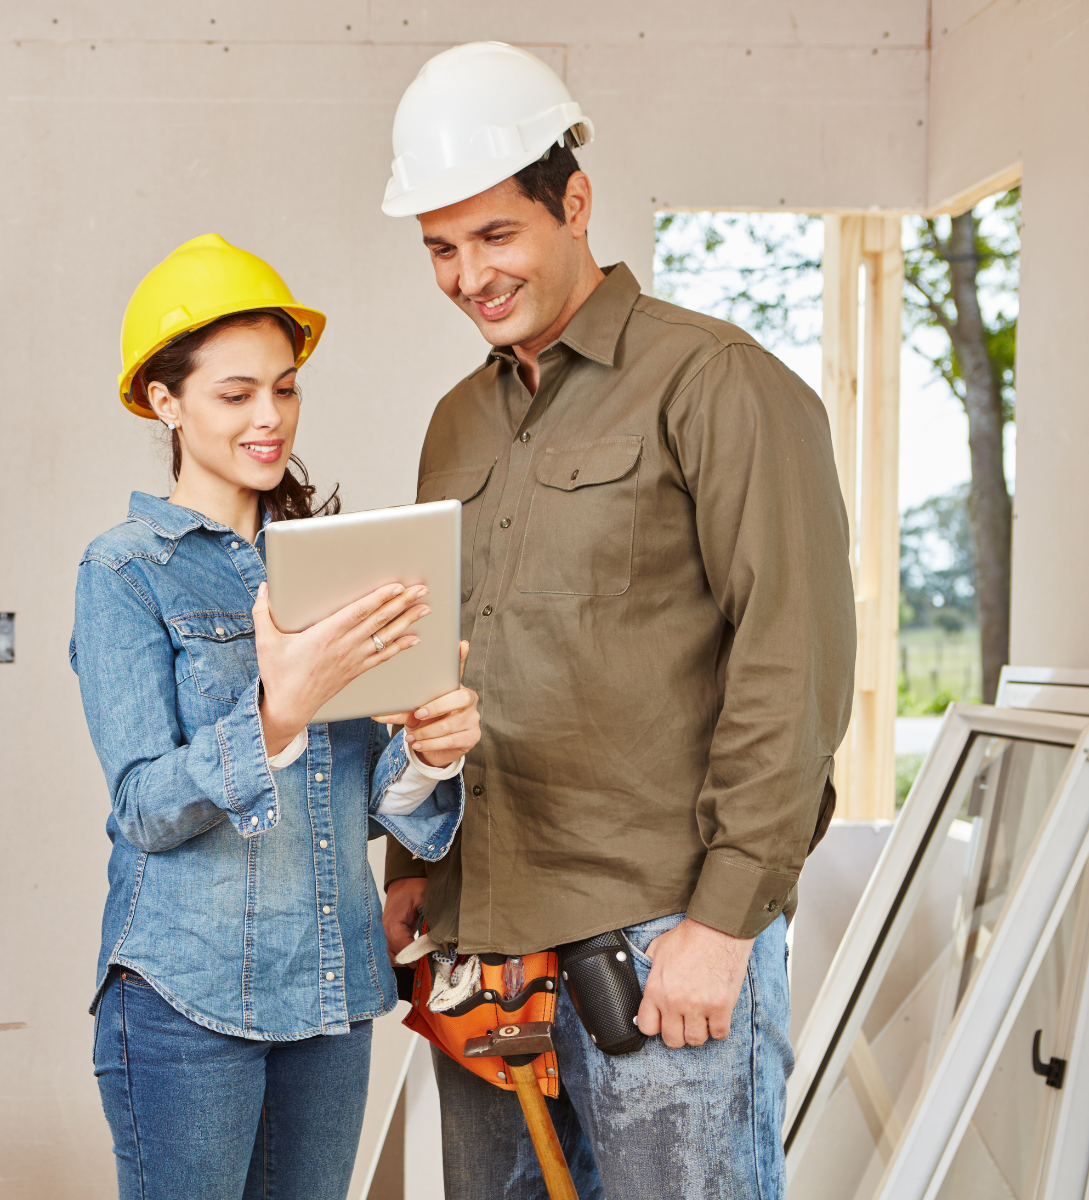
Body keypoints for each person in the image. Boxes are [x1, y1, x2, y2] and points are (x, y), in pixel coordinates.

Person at [375, 43, 856, 1199]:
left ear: (573, 204)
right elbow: (449, 662)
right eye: (441, 248)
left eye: (496, 237)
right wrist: (410, 865)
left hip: (657, 943)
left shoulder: (716, 381)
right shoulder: (456, 424)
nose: (467, 277)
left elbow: (792, 662)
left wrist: (724, 927)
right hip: (485, 947)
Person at [71, 234, 482, 1200]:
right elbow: (143, 808)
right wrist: (275, 713)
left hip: (331, 995)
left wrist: (428, 752)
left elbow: (360, 798)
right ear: (164, 402)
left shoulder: (326, 563)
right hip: (187, 999)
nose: (270, 417)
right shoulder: (126, 570)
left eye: (286, 389)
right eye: (236, 392)